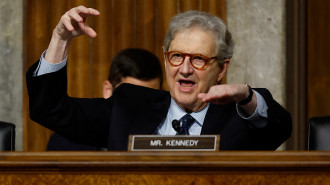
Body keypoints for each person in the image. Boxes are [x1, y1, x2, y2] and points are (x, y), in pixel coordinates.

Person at [27, 6, 292, 151]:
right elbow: (50, 110)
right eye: (176, 56)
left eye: (199, 59)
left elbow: (279, 129)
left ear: (222, 69)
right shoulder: (129, 106)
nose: (185, 69)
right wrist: (59, 39)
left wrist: (246, 97)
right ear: (166, 59)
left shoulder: (239, 117)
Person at [47, 48, 163, 150]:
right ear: (108, 91)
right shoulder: (66, 143)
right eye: (131, 98)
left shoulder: (169, 140)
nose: (139, 108)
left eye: (150, 98)